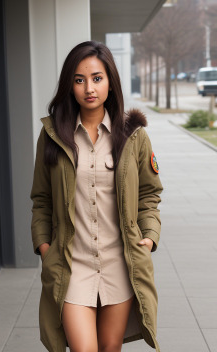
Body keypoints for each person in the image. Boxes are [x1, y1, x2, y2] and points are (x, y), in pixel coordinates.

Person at [30, 40, 163, 352]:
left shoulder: (134, 135)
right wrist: (44, 246)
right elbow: (41, 198)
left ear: (110, 82)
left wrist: (149, 236)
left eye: (97, 78)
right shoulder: (52, 135)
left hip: (120, 262)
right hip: (71, 265)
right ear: (70, 86)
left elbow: (149, 193)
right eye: (79, 80)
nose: (89, 88)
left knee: (109, 348)